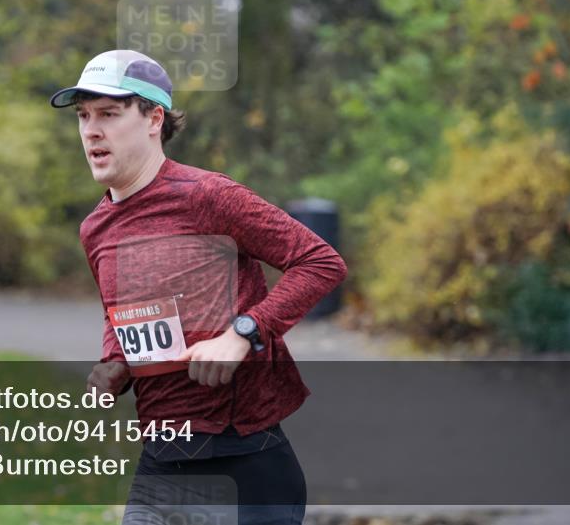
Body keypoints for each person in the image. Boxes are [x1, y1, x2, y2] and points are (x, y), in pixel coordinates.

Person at [50, 50, 348, 525]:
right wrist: (114, 364)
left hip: (246, 461)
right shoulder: (96, 229)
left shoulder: (209, 197)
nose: (90, 130)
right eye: (84, 116)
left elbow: (320, 262)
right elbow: (120, 313)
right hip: (163, 461)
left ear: (154, 118)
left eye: (108, 114)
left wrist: (243, 333)